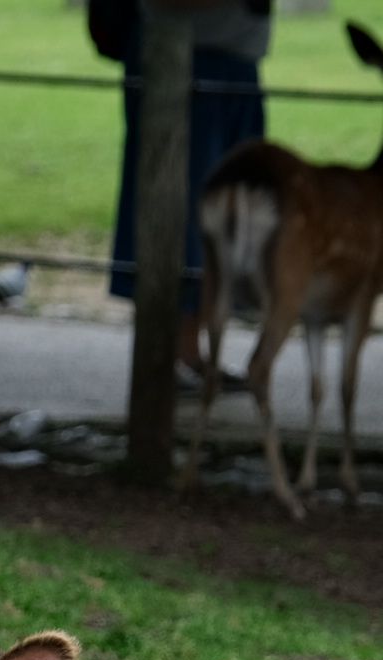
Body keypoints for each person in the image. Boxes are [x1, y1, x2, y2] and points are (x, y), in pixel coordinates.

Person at [109, 0, 272, 378]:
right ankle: (168, 360)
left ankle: (191, 354)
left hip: (233, 68)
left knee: (228, 219)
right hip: (185, 61)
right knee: (180, 213)